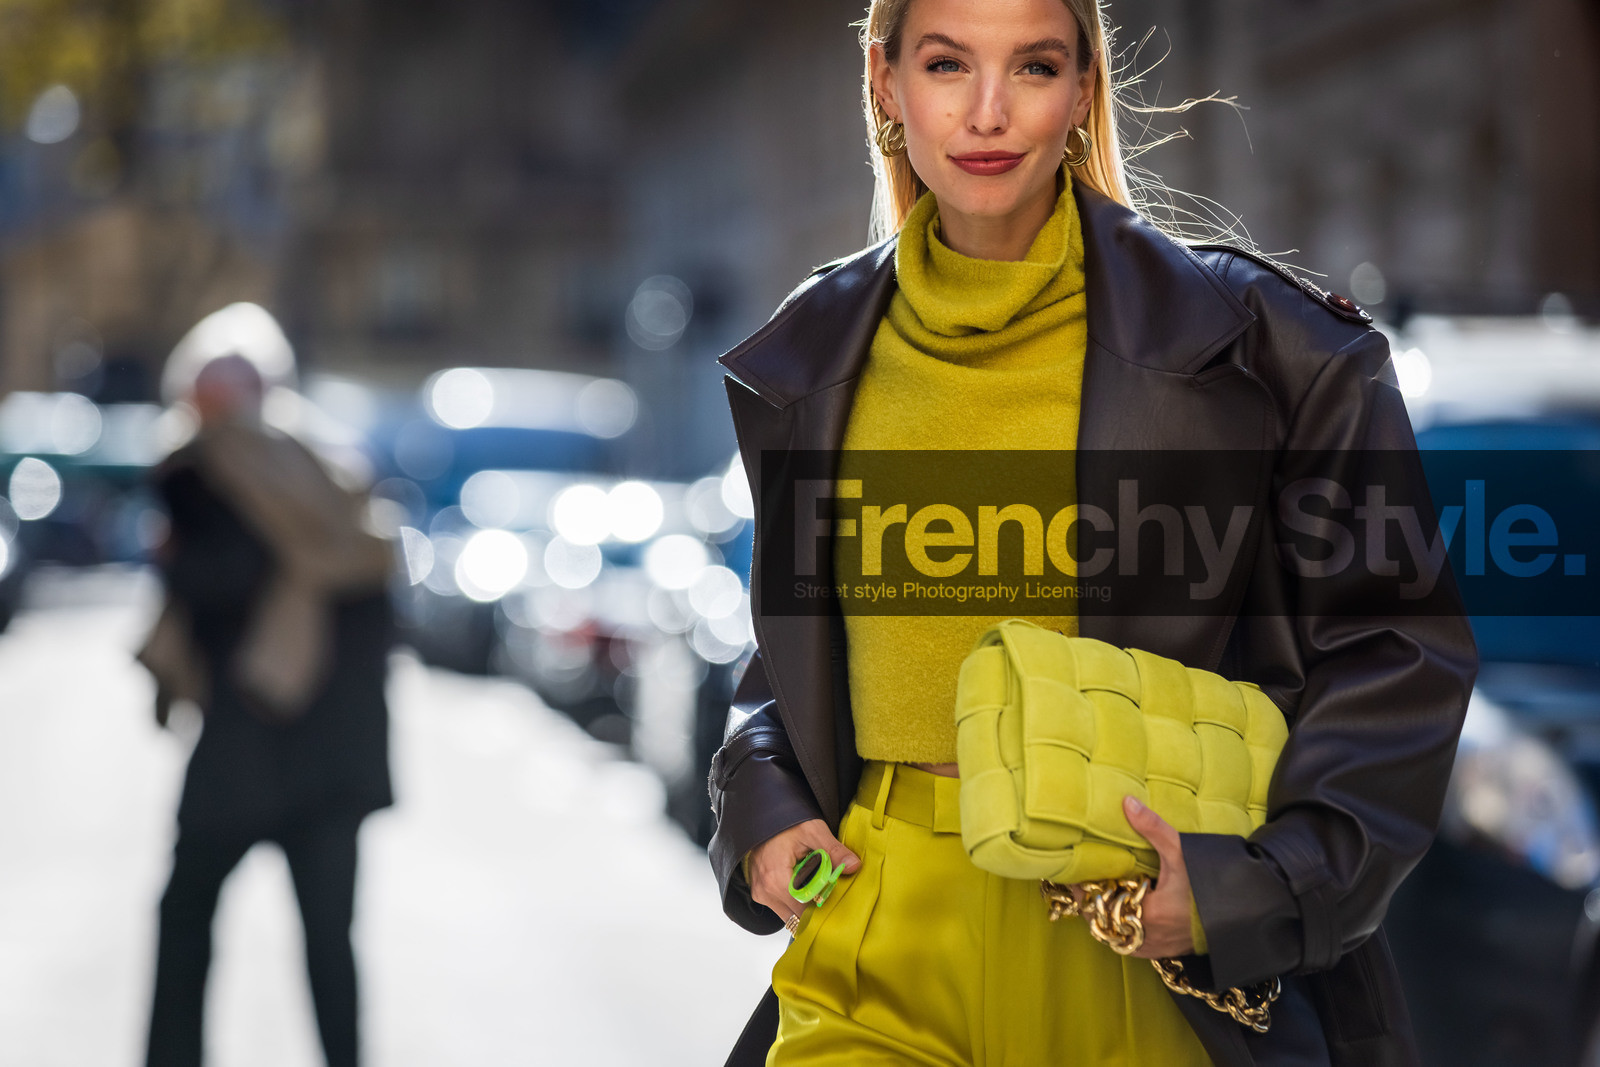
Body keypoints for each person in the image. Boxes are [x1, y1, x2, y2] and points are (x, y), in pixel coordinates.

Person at [706, 1, 1479, 1065]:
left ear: (1081, 91)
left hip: (1134, 937)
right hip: (878, 915)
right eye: (945, 64)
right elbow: (790, 657)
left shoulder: (1272, 351)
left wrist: (1245, 888)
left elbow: (1398, 658)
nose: (987, 111)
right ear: (887, 85)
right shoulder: (813, 357)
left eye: (1031, 65)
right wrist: (765, 801)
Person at [137, 354, 395, 1067]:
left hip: (241, 749)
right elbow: (379, 619)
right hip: (336, 756)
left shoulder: (205, 475)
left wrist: (172, 556)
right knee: (329, 944)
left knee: (184, 916)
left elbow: (209, 588)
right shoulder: (335, 481)